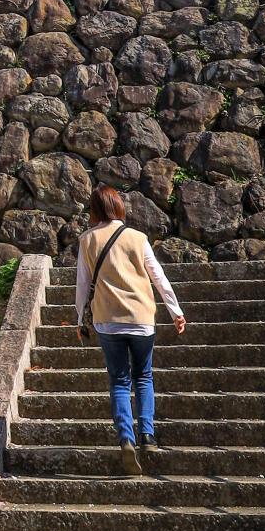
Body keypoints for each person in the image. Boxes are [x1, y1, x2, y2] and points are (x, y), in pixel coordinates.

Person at [73, 185, 187, 476]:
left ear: (95, 209)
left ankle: (126, 438)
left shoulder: (87, 240)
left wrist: (79, 320)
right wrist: (176, 311)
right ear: (119, 206)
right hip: (141, 319)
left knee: (120, 380)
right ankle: (147, 435)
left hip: (107, 321)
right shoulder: (138, 238)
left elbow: (83, 285)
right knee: (144, 376)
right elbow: (158, 277)